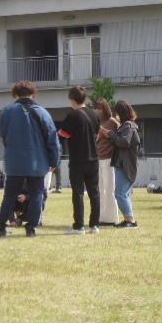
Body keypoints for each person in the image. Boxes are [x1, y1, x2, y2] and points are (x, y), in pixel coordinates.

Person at [0, 80, 60, 238]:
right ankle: (31, 228)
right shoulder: (42, 112)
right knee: (37, 195)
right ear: (33, 94)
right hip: (38, 161)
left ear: (15, 94)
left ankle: (0, 227)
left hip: (15, 161)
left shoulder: (7, 111)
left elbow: (4, 138)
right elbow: (52, 140)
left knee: (9, 195)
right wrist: (54, 161)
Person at [59, 86, 101, 235]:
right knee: (94, 193)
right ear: (85, 98)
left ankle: (79, 226)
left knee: (78, 193)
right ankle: (94, 225)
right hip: (94, 159)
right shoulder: (94, 115)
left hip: (78, 159)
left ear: (72, 99)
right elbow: (97, 136)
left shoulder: (73, 115)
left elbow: (62, 134)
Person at [102, 100, 140, 228]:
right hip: (122, 164)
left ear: (121, 113)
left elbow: (124, 142)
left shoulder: (129, 126)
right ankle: (128, 219)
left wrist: (111, 134)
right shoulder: (126, 126)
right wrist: (111, 135)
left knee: (120, 193)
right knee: (124, 194)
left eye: (117, 112)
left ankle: (131, 220)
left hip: (126, 165)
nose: (115, 115)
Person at [93, 98, 120, 225]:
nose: (97, 110)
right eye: (95, 108)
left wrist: (107, 133)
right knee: (100, 190)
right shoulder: (96, 122)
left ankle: (112, 218)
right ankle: (102, 217)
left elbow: (119, 138)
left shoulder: (112, 122)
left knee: (110, 189)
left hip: (109, 159)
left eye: (99, 108)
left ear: (105, 109)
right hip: (98, 159)